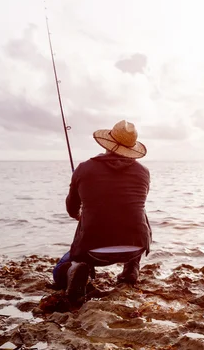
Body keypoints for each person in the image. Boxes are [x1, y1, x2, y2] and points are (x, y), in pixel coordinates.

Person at [52, 120, 152, 301]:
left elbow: (71, 208)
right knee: (137, 211)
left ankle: (77, 268)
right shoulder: (143, 172)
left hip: (93, 250)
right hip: (136, 246)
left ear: (107, 143)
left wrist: (80, 214)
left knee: (58, 271)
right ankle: (131, 269)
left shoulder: (84, 168)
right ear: (131, 148)